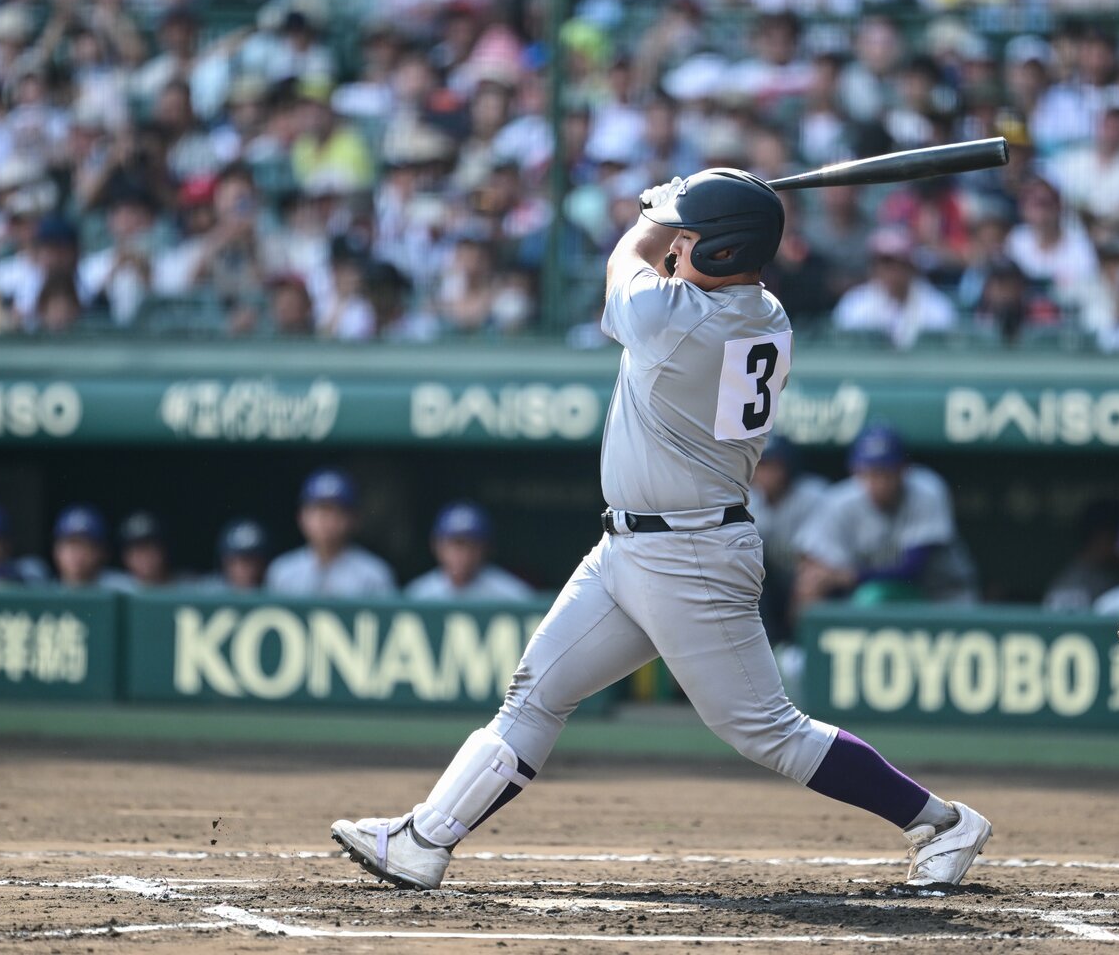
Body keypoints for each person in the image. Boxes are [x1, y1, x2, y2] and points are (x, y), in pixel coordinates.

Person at [331, 169, 991, 893]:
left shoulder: (683, 320)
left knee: (767, 729)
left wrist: (655, 211)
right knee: (536, 691)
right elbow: (668, 268)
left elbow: (625, 261)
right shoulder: (762, 311)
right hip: (631, 548)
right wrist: (693, 207)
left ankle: (941, 822)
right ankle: (425, 839)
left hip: (690, 554)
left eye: (689, 240)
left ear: (721, 251)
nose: (676, 249)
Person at [794, 424, 976, 615]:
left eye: (886, 472)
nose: (879, 482)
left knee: (873, 596)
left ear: (904, 470)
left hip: (943, 597)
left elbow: (912, 570)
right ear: (856, 471)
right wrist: (817, 578)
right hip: (870, 596)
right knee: (816, 588)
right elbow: (810, 557)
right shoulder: (840, 502)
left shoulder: (926, 491)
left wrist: (847, 576)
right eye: (871, 473)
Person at [747, 435, 828, 645]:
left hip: (806, 577)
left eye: (773, 466)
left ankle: (800, 647)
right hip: (770, 582)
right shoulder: (748, 498)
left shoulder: (813, 495)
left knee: (810, 580)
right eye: (762, 466)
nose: (766, 474)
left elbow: (812, 557)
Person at [266, 469, 396, 597]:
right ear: (301, 517)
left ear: (353, 519)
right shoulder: (283, 571)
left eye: (335, 512)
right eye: (319, 512)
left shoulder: (373, 574)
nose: (326, 520)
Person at [404, 502, 534, 601]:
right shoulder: (418, 594)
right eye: (456, 544)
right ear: (436, 546)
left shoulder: (511, 594)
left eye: (472, 545)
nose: (463, 554)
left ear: (486, 549)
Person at [52, 505, 134, 591]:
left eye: (85, 545)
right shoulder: (46, 588)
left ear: (101, 552)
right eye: (71, 545)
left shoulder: (123, 589)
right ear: (56, 549)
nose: (76, 553)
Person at [213, 518, 270, 591]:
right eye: (234, 561)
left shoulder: (275, 587)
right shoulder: (210, 591)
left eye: (250, 561)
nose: (243, 569)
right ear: (224, 562)